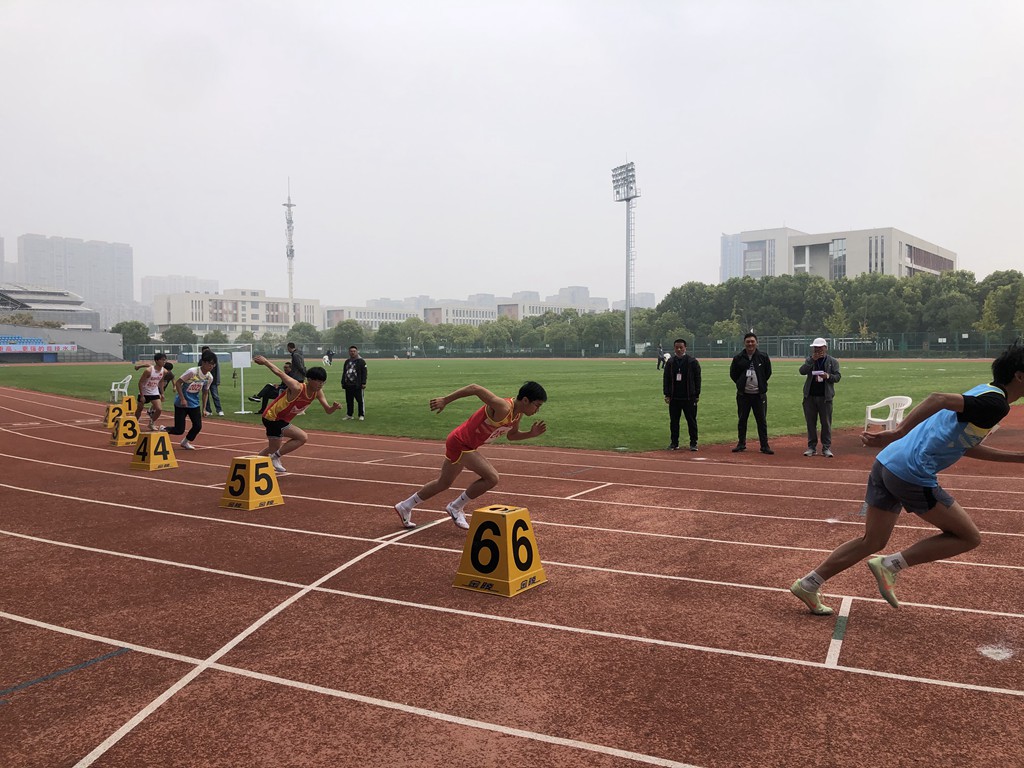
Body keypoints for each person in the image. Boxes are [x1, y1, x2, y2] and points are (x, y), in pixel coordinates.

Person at [789, 344, 1024, 616]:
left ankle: (809, 584)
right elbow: (938, 398)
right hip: (912, 472)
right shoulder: (996, 404)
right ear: (1019, 376)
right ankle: (890, 565)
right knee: (969, 537)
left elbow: (965, 446)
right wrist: (898, 431)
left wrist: (1019, 458)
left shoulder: (986, 393)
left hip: (888, 463)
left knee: (872, 540)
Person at [393, 381, 547, 530]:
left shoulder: (516, 415)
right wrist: (445, 400)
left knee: (443, 483)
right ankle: (455, 507)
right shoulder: (504, 407)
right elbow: (475, 388)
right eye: (537, 405)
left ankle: (405, 506)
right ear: (525, 400)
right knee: (492, 478)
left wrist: (531, 434)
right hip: (460, 443)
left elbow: (512, 436)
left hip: (464, 444)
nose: (537, 410)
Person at [252, 355, 340, 473]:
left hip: (282, 420)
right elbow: (280, 373)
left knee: (273, 448)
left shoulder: (318, 392)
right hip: (272, 417)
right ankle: (275, 457)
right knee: (302, 437)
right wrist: (265, 362)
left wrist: (333, 408)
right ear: (309, 380)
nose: (320, 384)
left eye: (323, 382)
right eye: (318, 381)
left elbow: (328, 410)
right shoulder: (297, 387)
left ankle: (254, 465)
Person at [729, 332, 773, 454]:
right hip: (743, 395)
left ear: (756, 343)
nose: (750, 344)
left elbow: (768, 373)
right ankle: (741, 444)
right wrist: (741, 383)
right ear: (744, 343)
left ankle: (764, 446)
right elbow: (733, 374)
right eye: (748, 341)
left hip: (759, 395)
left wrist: (761, 383)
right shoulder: (738, 358)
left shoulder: (763, 357)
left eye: (752, 341)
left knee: (761, 421)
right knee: (742, 420)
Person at [799, 337, 842, 458]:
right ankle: (811, 447)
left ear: (825, 348)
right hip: (810, 397)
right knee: (811, 423)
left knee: (826, 423)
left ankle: (826, 447)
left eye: (820, 348)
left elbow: (837, 377)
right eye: (816, 348)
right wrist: (812, 360)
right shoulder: (810, 360)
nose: (818, 350)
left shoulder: (832, 361)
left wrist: (827, 376)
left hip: (825, 397)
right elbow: (802, 371)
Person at [165, 351, 217, 450]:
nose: (211, 366)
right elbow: (178, 383)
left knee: (197, 426)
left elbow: (205, 392)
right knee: (179, 430)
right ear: (203, 362)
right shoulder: (192, 372)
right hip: (181, 403)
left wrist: (204, 408)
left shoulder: (209, 377)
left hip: (194, 403)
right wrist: (182, 399)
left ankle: (185, 442)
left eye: (213, 364)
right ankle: (164, 429)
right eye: (210, 363)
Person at [663, 338, 701, 451]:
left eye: (681, 347)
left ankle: (693, 443)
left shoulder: (692, 362)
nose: (679, 350)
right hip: (674, 397)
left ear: (685, 348)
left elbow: (697, 378)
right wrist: (667, 394)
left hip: (689, 396)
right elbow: (666, 379)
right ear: (674, 348)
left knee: (691, 420)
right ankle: (674, 443)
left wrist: (697, 394)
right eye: (677, 347)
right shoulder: (670, 362)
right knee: (674, 421)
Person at [133, 353, 172, 431]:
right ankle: (134, 423)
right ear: (157, 361)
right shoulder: (148, 371)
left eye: (165, 360)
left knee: (159, 409)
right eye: (162, 360)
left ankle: (151, 423)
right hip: (144, 392)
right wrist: (142, 395)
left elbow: (161, 382)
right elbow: (140, 382)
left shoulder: (164, 371)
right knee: (139, 409)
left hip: (154, 392)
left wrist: (162, 393)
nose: (164, 362)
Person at [341, 345, 368, 420]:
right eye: (351, 351)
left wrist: (363, 382)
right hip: (348, 384)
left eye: (354, 351)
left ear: (357, 352)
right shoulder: (347, 361)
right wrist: (343, 382)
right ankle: (349, 415)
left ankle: (361, 415)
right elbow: (344, 372)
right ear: (349, 352)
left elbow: (364, 373)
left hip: (357, 384)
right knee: (349, 401)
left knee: (360, 400)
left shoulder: (361, 361)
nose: (352, 353)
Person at [201, 346, 224, 416]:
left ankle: (219, 410)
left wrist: (218, 381)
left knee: (215, 395)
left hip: (213, 381)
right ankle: (208, 410)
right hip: (204, 381)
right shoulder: (202, 361)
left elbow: (217, 370)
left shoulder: (214, 360)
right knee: (206, 395)